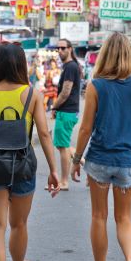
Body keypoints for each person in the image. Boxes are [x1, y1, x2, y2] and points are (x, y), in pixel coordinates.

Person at [0, 43, 60, 261]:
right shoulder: (33, 94)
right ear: (22, 65)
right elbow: (45, 135)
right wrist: (54, 170)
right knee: (19, 224)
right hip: (24, 167)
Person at [70, 32, 131, 261]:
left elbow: (86, 129)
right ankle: (129, 260)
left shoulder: (96, 85)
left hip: (99, 160)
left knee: (99, 216)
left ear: (104, 55)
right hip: (129, 161)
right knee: (124, 218)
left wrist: (76, 159)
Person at [50, 39, 81, 191]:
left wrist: (54, 107)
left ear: (70, 48)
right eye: (58, 48)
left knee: (62, 147)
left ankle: (64, 181)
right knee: (65, 144)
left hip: (67, 111)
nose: (60, 51)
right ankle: (84, 163)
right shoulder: (70, 66)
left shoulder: (70, 67)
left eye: (63, 48)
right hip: (68, 111)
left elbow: (66, 91)